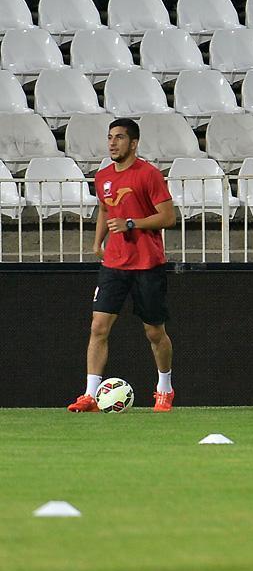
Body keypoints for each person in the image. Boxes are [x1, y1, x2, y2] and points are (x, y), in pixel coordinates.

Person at [67, 118, 177, 413]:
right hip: (114, 264)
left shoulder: (149, 175)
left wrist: (132, 223)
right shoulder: (103, 176)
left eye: (119, 137)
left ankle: (164, 389)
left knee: (154, 332)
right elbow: (105, 209)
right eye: (110, 137)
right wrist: (97, 242)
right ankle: (90, 395)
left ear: (134, 143)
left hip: (147, 264)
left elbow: (168, 217)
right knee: (98, 327)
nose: (112, 143)